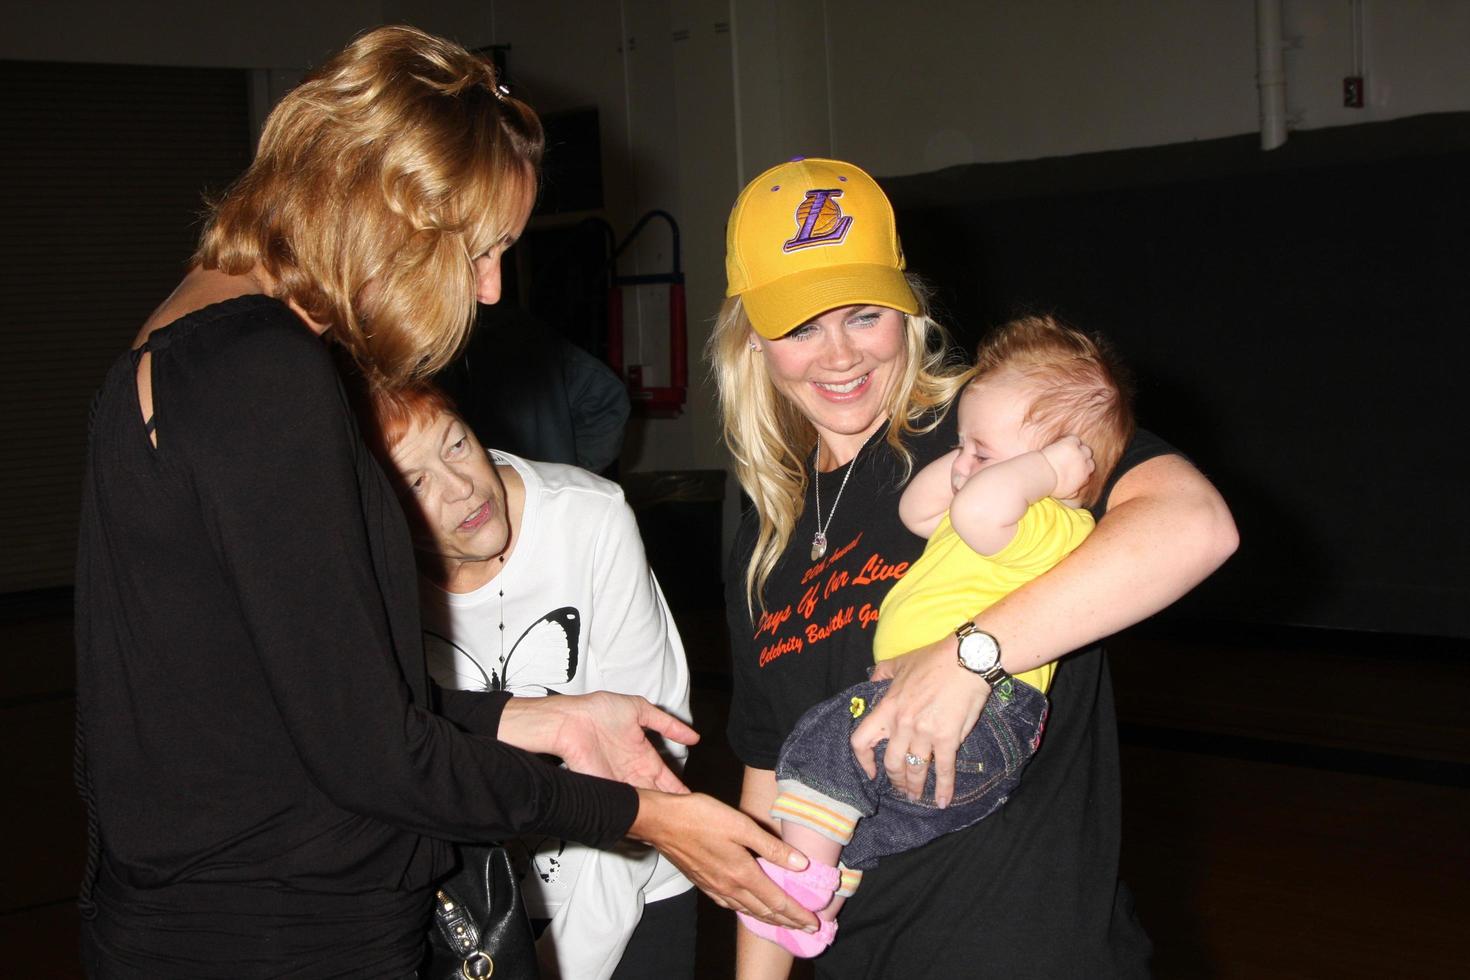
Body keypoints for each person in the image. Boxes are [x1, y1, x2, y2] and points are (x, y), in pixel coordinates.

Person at [72, 27, 812, 977]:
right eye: (481, 251)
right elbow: (374, 759)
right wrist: (646, 816)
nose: (493, 289)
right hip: (275, 937)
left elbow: (303, 708)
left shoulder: (183, 339)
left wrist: (550, 721)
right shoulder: (266, 374)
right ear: (391, 216)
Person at [710, 156, 1238, 977]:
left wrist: (971, 655)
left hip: (1026, 950)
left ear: (906, 308)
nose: (839, 355)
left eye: (862, 314)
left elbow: (1195, 526)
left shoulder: (990, 427)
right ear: (751, 339)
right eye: (801, 326)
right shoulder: (762, 520)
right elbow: (767, 777)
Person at [737, 315, 1133, 957]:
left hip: (991, 715)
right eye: (964, 445)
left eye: (983, 453)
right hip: (942, 743)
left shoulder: (1052, 521)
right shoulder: (984, 503)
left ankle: (803, 877)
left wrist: (1043, 470)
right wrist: (973, 456)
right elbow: (915, 510)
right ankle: (823, 896)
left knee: (824, 746)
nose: (964, 463)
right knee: (860, 815)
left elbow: (980, 509)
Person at [361, 383, 696, 979]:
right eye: (416, 482)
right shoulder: (359, 577)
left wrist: (555, 965)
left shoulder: (589, 518)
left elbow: (650, 763)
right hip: (455, 915)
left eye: (457, 444)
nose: (461, 486)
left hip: (628, 886)